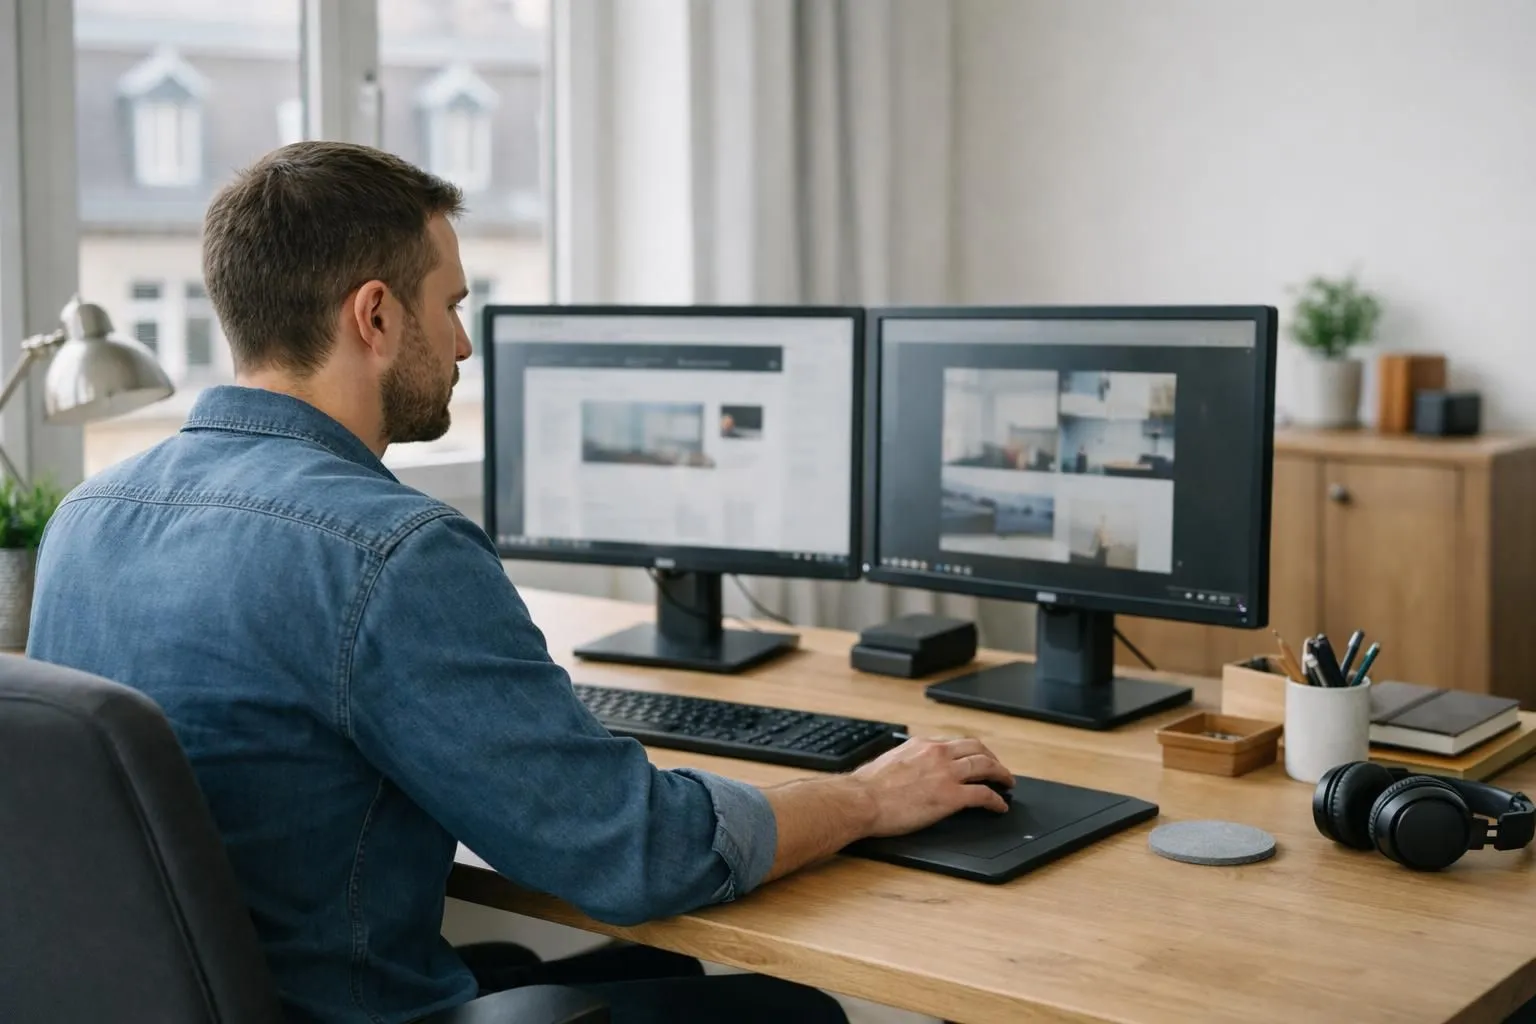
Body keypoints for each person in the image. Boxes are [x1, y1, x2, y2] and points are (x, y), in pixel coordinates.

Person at [25, 141, 1014, 1024]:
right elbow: (636, 853)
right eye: (451, 306)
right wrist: (868, 798)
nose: (462, 343)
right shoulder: (393, 551)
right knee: (786, 1010)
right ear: (374, 314)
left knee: (561, 967)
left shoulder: (86, 518)